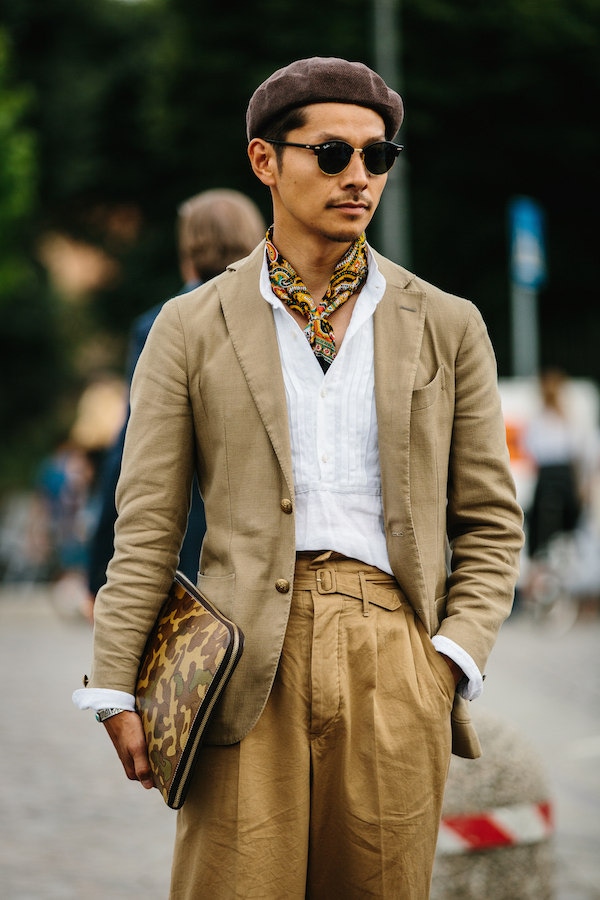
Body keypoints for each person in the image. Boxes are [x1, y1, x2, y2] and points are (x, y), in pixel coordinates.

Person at [73, 58, 524, 898]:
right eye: (331, 154)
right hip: (241, 661)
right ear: (264, 161)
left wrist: (450, 661)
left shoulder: (448, 324)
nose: (358, 177)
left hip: (396, 652)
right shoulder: (190, 326)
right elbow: (147, 523)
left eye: (376, 158)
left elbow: (491, 522)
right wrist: (113, 682)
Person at [85, 189, 266, 611]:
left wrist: (98, 569)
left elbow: (133, 452)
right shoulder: (290, 317)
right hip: (275, 549)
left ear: (188, 249)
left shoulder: (161, 325)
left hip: (189, 552)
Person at [524, 367, 583, 557]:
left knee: (537, 518)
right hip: (560, 475)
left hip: (548, 475)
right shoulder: (563, 419)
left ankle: (538, 551)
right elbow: (574, 452)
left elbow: (531, 449)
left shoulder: (540, 419)